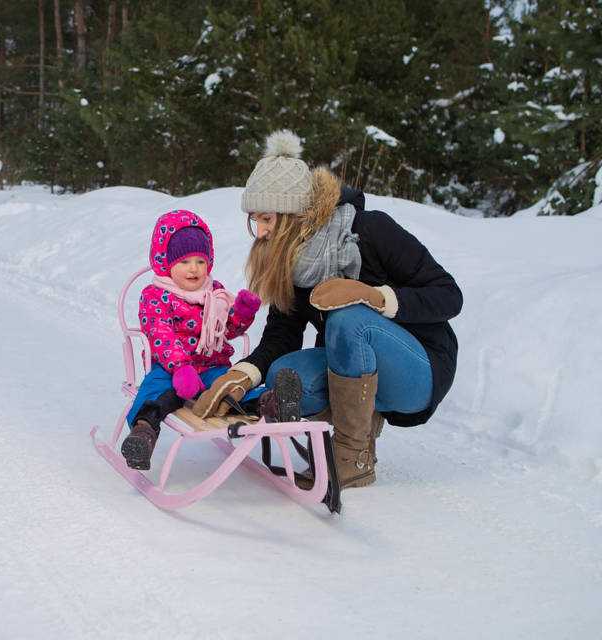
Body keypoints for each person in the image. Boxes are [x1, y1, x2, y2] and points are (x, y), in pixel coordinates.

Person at [192, 130, 463, 490]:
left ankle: (353, 456)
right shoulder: (291, 260)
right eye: (255, 220)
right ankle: (361, 424)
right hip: (353, 364)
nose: (260, 232)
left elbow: (449, 295)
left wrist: (378, 297)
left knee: (350, 319)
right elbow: (282, 335)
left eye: (268, 219)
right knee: (282, 374)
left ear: (293, 215)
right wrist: (245, 375)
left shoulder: (370, 229)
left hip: (419, 366)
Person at [121, 209, 262, 470]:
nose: (194, 269)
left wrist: (242, 314)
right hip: (169, 367)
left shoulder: (215, 293)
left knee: (228, 386)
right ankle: (143, 433)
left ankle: (268, 402)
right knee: (155, 391)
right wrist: (180, 368)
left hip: (211, 366)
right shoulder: (155, 295)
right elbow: (159, 333)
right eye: (185, 262)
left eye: (200, 261)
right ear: (167, 263)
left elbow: (226, 331)